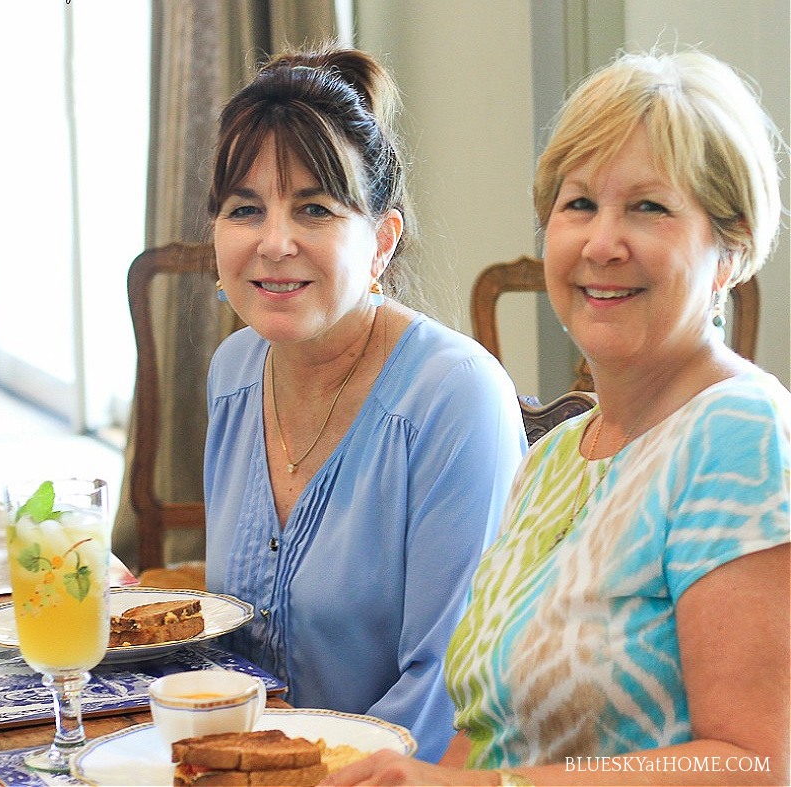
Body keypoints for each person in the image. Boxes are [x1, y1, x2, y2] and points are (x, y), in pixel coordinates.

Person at [324, 47, 790, 786]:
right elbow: (487, 736)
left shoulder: (739, 432)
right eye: (579, 205)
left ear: (728, 251)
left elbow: (756, 765)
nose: (602, 243)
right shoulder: (555, 459)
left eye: (649, 207)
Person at [202, 45, 527, 764]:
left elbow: (449, 690)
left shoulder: (454, 397)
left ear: (382, 240)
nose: (274, 241)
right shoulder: (232, 373)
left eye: (314, 208)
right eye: (244, 209)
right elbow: (235, 644)